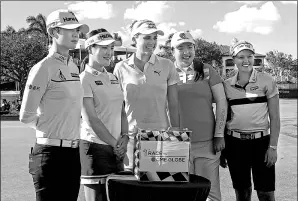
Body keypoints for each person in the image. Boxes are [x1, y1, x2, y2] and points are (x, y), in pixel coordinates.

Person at [19, 9, 89, 201]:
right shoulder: (42, 68)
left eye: (77, 29)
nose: (76, 34)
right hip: (49, 155)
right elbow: (26, 115)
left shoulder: (74, 66)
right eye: (69, 29)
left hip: (73, 154)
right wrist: (50, 126)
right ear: (53, 32)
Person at [113, 19, 180, 171]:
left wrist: (176, 136)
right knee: (132, 191)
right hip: (131, 138)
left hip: (161, 137)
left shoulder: (167, 65)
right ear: (135, 38)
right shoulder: (120, 68)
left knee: (159, 190)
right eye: (147, 37)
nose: (152, 42)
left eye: (155, 37)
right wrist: (121, 135)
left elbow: (173, 103)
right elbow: (118, 107)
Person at [168, 31, 227, 201]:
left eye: (190, 47)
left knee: (211, 193)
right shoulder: (166, 71)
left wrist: (219, 134)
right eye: (181, 47)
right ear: (173, 51)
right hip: (175, 142)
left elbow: (222, 102)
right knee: (180, 194)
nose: (186, 52)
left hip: (206, 143)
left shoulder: (206, 70)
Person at [223, 38, 280, 201]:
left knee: (266, 193)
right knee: (242, 192)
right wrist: (222, 149)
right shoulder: (226, 85)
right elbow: (222, 116)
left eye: (249, 56)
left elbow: (275, 117)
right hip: (234, 144)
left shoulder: (267, 80)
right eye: (241, 57)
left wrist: (273, 147)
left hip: (261, 143)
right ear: (233, 59)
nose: (246, 61)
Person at [79, 28, 129, 201]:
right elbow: (91, 119)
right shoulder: (83, 79)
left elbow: (122, 111)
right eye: (104, 48)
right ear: (91, 49)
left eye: (111, 48)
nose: (109, 53)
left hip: (116, 148)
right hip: (94, 148)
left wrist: (125, 138)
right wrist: (116, 145)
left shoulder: (113, 77)